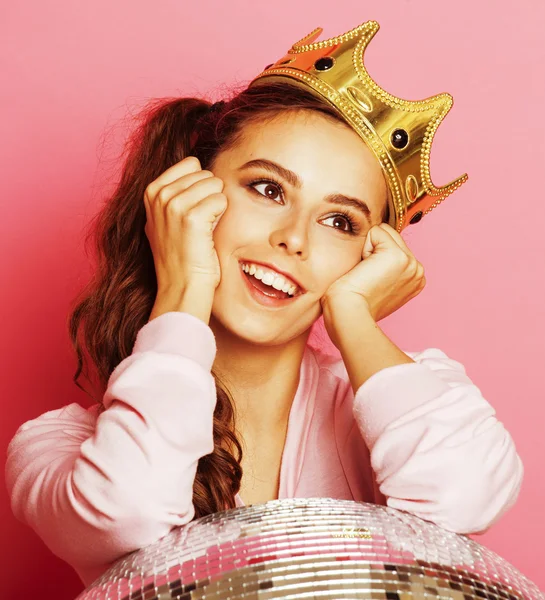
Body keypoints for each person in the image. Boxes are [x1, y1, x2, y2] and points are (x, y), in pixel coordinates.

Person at [5, 21, 523, 589]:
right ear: (188, 196)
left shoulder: (409, 396)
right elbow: (128, 509)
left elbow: (465, 498)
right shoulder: (62, 449)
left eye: (339, 222)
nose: (296, 239)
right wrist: (184, 289)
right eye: (268, 189)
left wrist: (353, 313)